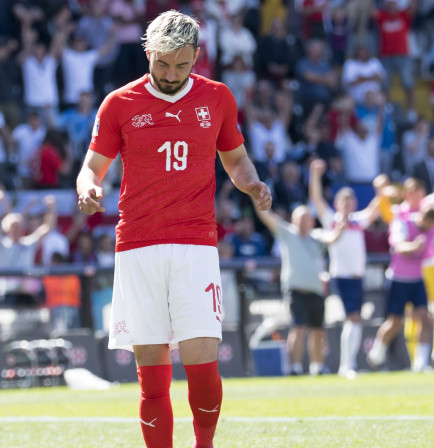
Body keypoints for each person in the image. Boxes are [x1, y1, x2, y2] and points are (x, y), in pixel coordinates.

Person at [75, 12, 272, 448]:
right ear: (148, 53)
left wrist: (251, 182)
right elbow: (92, 167)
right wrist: (88, 188)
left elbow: (236, 160)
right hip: (138, 246)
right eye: (163, 64)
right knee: (153, 375)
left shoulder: (218, 97)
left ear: (197, 57)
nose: (170, 74)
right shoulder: (119, 103)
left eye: (182, 65)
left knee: (203, 363)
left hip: (196, 243)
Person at [377, 150, 434, 367]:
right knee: (414, 316)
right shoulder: (399, 213)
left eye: (419, 190)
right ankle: (417, 361)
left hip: (431, 263)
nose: (417, 194)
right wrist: (382, 191)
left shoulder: (430, 205)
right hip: (408, 269)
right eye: (412, 191)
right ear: (406, 193)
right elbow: (384, 211)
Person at [308, 159, 381, 377]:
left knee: (355, 318)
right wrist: (315, 174)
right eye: (344, 201)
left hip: (358, 277)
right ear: (338, 204)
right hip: (340, 276)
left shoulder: (359, 221)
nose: (348, 204)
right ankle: (346, 365)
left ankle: (349, 364)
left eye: (351, 201)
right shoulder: (331, 219)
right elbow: (316, 198)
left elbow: (376, 207)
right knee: (352, 318)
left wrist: (381, 189)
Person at [255, 204, 345, 376]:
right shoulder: (288, 233)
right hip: (296, 290)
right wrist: (255, 195)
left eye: (307, 218)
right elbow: (267, 217)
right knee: (298, 328)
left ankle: (317, 366)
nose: (305, 221)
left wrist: (340, 230)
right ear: (295, 220)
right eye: (301, 218)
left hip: (316, 291)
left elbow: (333, 237)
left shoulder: (316, 237)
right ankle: (295, 367)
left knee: (318, 330)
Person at [368, 206, 434, 372]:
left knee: (424, 318)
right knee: (395, 322)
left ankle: (421, 363)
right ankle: (376, 354)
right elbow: (399, 248)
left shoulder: (432, 229)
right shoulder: (402, 223)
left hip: (418, 279)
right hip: (398, 279)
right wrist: (415, 245)